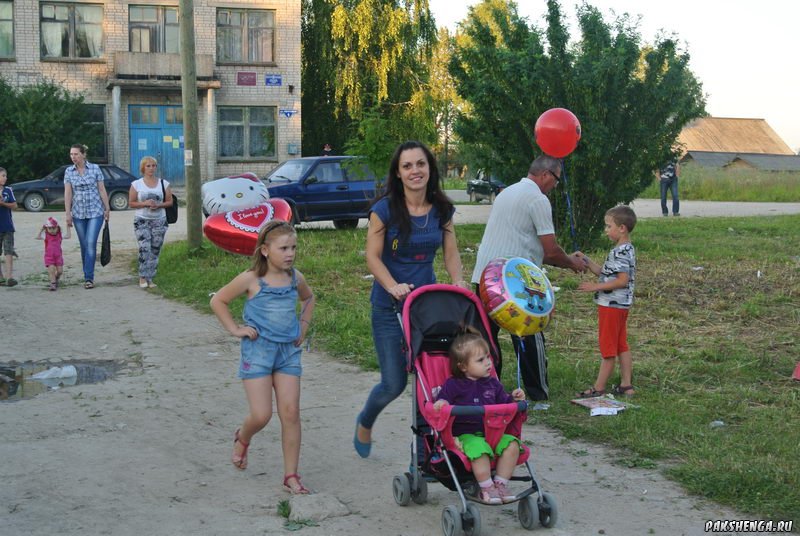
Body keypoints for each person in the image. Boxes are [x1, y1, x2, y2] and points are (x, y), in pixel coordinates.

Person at [354, 140, 468, 458]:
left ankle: (425, 454)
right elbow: (373, 258)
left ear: (430, 169)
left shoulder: (442, 209)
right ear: (398, 173)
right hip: (389, 306)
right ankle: (365, 420)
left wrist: (458, 280)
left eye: (420, 164)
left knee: (429, 382)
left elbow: (451, 253)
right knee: (394, 384)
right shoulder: (385, 210)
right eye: (407, 166)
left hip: (425, 307)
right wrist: (392, 286)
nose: (415, 171)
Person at [210, 220, 315, 495]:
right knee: (262, 414)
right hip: (258, 353)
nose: (290, 253)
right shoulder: (251, 279)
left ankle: (291, 475)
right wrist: (235, 329)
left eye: (293, 247)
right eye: (283, 248)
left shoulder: (296, 278)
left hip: (287, 353)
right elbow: (218, 300)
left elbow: (309, 298)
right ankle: (243, 437)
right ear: (265, 250)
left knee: (290, 413)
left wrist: (303, 326)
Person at [470, 155, 586, 401]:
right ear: (546, 175)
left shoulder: (508, 192)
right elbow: (551, 250)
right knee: (529, 333)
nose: (556, 186)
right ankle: (537, 394)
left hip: (483, 275)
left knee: (485, 338)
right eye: (556, 179)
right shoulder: (537, 199)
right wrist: (572, 263)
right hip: (514, 282)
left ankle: (486, 392)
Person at [433, 326, 526, 504]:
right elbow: (442, 401)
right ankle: (486, 487)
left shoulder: (492, 384)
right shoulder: (453, 385)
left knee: (512, 445)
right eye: (481, 360)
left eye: (488, 357)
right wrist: (442, 404)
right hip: (465, 436)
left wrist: (514, 399)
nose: (488, 363)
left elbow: (505, 404)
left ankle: (500, 484)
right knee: (479, 449)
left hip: (493, 432)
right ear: (463, 366)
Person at [576, 205, 637, 397]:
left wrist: (594, 287)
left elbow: (621, 280)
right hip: (621, 305)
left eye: (608, 226)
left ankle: (598, 389)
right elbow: (606, 273)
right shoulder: (626, 249)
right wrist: (586, 260)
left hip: (611, 306)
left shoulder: (620, 252)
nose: (605, 230)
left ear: (622, 228)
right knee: (621, 345)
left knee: (608, 348)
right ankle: (626, 385)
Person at [64, 144, 110, 289]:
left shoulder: (95, 169)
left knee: (90, 243)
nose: (73, 157)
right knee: (84, 245)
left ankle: (88, 278)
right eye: (71, 154)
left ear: (83, 154)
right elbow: (68, 193)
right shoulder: (69, 171)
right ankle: (87, 274)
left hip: (95, 212)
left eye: (76, 154)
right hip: (78, 213)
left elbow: (101, 189)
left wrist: (107, 208)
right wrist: (68, 214)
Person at [128, 156, 173, 289]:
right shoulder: (136, 184)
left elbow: (170, 202)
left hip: (159, 220)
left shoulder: (164, 183)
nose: (151, 168)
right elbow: (131, 203)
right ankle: (142, 276)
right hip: (142, 220)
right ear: (143, 168)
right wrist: (144, 203)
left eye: (153, 166)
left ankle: (150, 277)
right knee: (144, 248)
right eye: (148, 166)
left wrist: (159, 205)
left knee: (155, 249)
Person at [35, 217, 71, 291]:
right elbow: (37, 237)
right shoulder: (46, 235)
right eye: (49, 228)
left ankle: (56, 278)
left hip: (58, 256)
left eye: (54, 228)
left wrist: (68, 227)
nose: (52, 230)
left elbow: (68, 236)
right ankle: (53, 283)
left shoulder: (60, 235)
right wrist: (42, 229)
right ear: (46, 229)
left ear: (57, 228)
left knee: (60, 271)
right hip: (49, 256)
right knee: (51, 270)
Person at [0, 167, 18, 287]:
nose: (5, 178)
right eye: (3, 176)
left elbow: (15, 205)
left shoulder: (8, 190)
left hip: (7, 226)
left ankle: (9, 276)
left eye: (5, 175)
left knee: (9, 251)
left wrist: (3, 203)